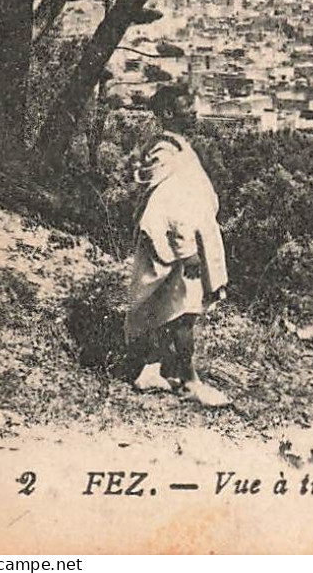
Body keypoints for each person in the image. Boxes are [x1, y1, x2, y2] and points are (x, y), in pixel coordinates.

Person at [125, 87, 231, 407]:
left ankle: (152, 369)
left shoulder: (176, 147)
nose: (194, 112)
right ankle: (189, 380)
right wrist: (187, 251)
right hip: (177, 246)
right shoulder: (167, 152)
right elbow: (172, 207)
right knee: (184, 313)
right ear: (169, 114)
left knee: (169, 309)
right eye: (187, 107)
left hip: (183, 242)